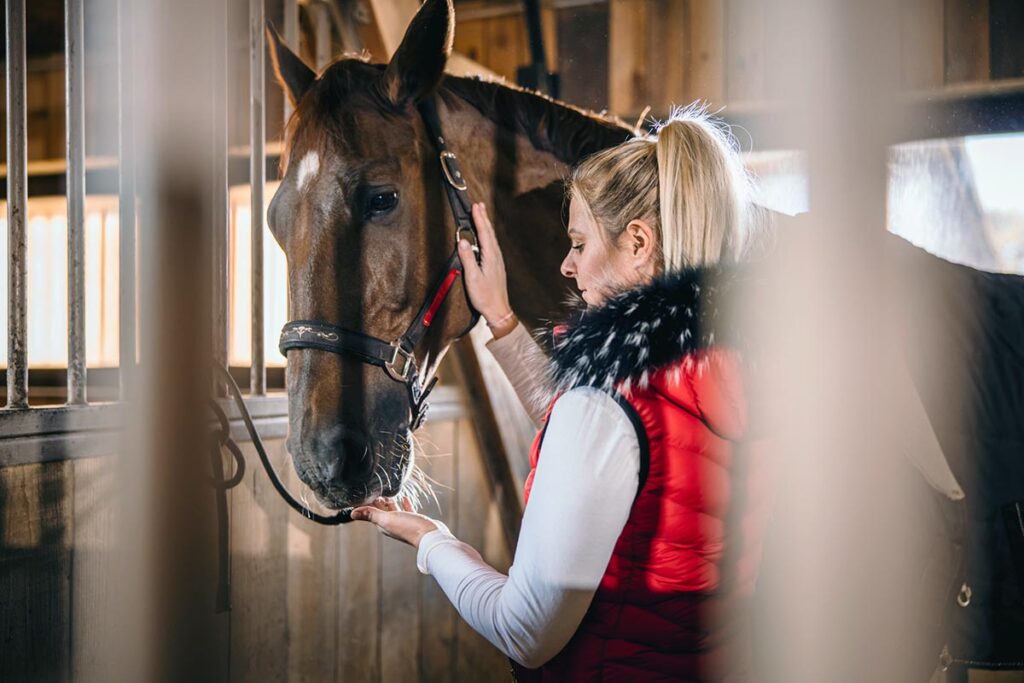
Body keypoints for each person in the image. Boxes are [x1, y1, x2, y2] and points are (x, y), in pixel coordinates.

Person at [352, 108, 773, 682]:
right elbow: (605, 452)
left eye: (579, 242)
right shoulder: (728, 375)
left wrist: (434, 543)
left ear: (638, 243)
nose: (567, 265)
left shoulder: (605, 408)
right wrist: (499, 318)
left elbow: (525, 632)